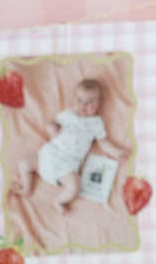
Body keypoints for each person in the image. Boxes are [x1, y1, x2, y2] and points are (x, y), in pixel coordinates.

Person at [11, 78, 128, 211]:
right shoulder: (66, 114)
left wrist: (118, 152)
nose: (83, 105)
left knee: (75, 187)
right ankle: (27, 187)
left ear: (99, 104)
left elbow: (105, 143)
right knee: (24, 163)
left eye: (90, 102)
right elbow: (51, 125)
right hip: (49, 153)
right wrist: (52, 128)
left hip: (67, 164)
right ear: (73, 100)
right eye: (79, 100)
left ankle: (60, 202)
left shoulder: (96, 123)